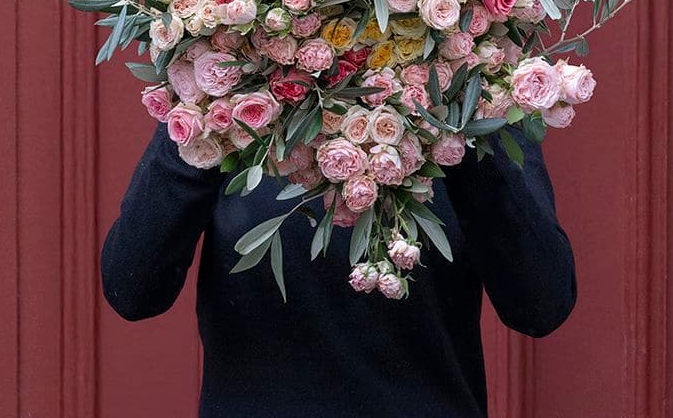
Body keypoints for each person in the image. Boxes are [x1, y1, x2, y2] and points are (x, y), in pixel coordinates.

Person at [101, 122, 576, 417]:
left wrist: (466, 117)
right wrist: (200, 113)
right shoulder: (236, 104)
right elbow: (133, 289)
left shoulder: (466, 101)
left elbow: (541, 303)